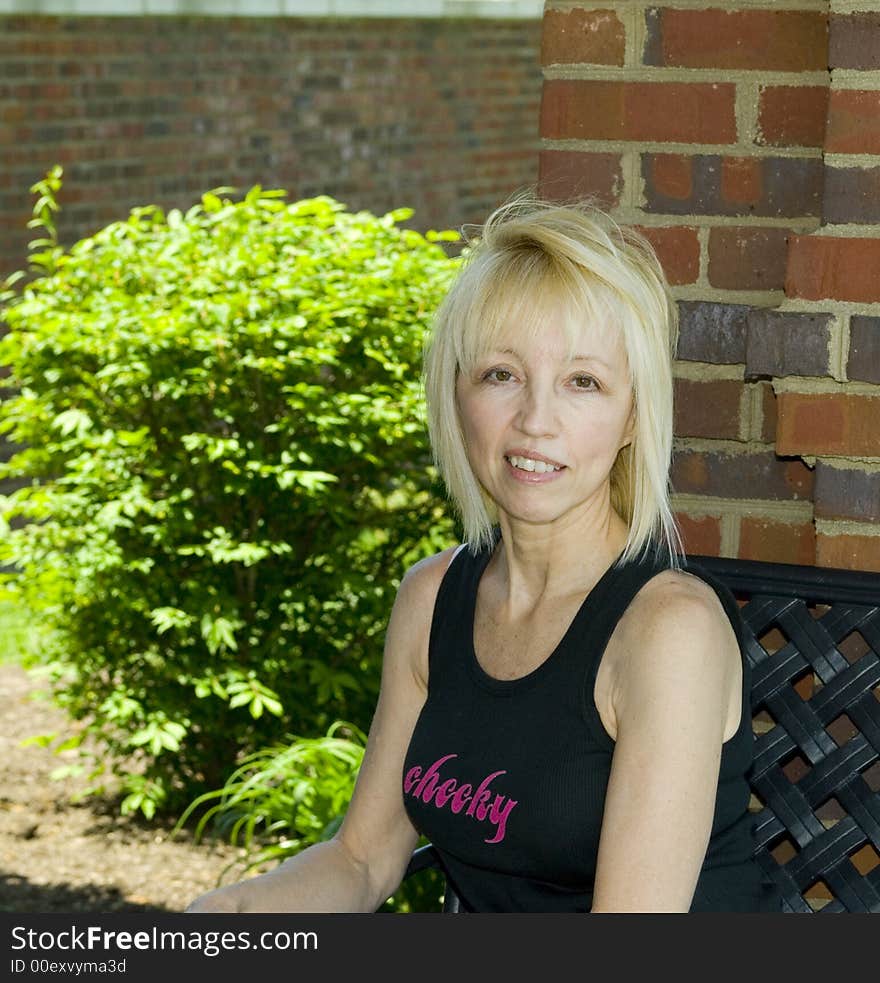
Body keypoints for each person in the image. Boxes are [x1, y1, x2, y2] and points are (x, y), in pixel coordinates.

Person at [186, 194, 781, 913]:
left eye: (582, 382)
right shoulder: (434, 596)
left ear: (632, 419)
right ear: (458, 392)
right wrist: (224, 917)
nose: (535, 420)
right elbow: (362, 859)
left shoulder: (668, 630)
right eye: (502, 374)